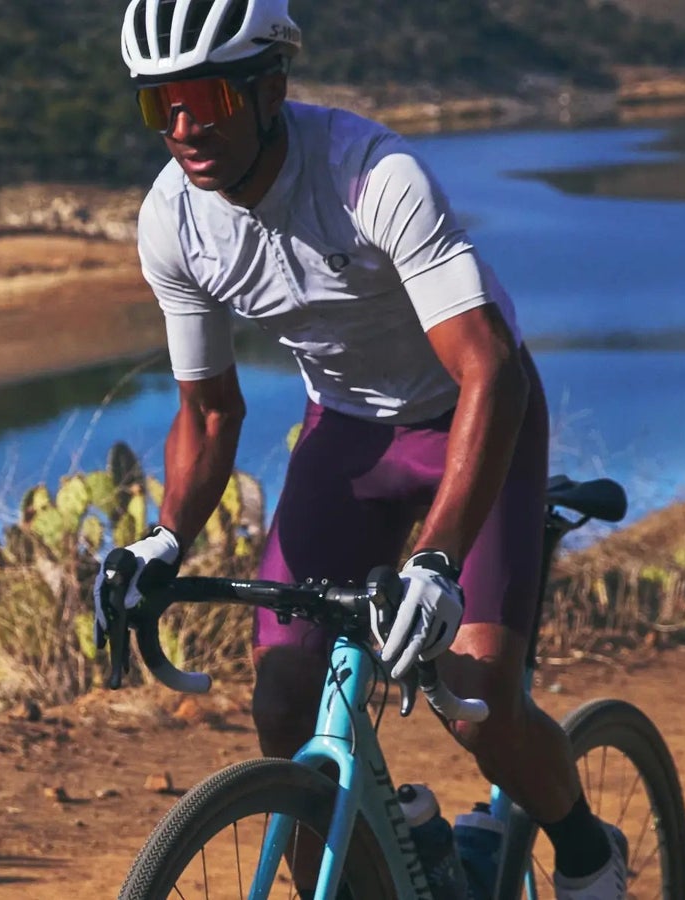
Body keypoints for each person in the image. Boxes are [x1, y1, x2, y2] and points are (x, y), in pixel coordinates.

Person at [102, 0, 627, 895]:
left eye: (202, 99)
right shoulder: (173, 222)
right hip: (346, 431)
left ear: (268, 88)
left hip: (471, 414)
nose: (183, 128)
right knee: (283, 699)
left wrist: (438, 560)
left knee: (475, 707)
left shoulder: (373, 175)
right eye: (160, 105)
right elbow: (210, 411)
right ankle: (387, 867)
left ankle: (585, 851)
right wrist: (165, 539)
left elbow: (489, 370)